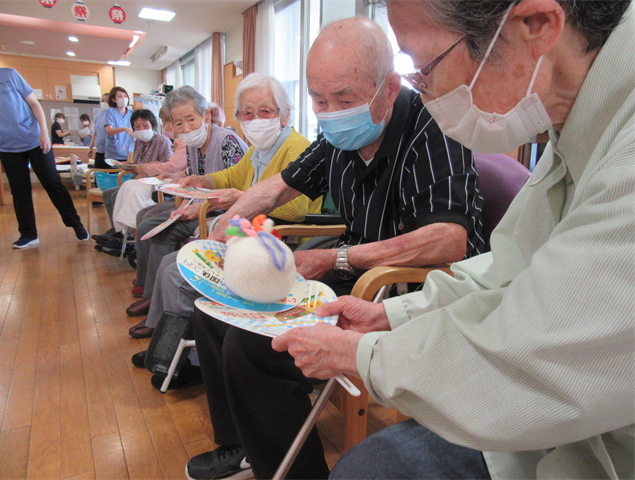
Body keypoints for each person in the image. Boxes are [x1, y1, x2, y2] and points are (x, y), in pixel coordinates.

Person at [272, 2, 635, 480]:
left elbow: (534, 360)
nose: (426, 90)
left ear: (536, 26)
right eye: (319, 99)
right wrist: (392, 315)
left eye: (424, 67)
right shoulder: (575, 124)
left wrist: (362, 354)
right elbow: (508, 268)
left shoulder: (616, 151)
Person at [184, 17, 484, 480]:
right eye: (318, 100)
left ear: (388, 87)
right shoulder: (338, 134)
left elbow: (448, 238)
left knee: (252, 345)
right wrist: (228, 223)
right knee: (211, 308)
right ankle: (243, 447)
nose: (330, 112)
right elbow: (278, 187)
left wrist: (333, 258)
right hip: (357, 273)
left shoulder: (434, 126)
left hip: (413, 287)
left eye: (344, 99)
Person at [126, 73, 323, 377]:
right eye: (247, 112)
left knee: (179, 272)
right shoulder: (259, 151)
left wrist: (242, 198)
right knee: (172, 261)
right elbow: (230, 175)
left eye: (265, 111)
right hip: (246, 234)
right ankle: (166, 348)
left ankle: (190, 362)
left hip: (274, 242)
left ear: (284, 114)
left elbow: (296, 208)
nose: (255, 119)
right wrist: (204, 180)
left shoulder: (298, 148)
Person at [124, 85, 249, 316]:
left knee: (158, 229)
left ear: (206, 116)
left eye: (191, 120)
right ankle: (152, 294)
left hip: (223, 211)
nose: (185, 128)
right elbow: (193, 182)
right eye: (179, 123)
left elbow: (239, 191)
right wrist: (182, 206)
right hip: (201, 206)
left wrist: (195, 208)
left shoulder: (227, 141)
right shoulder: (192, 144)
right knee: (150, 223)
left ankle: (156, 301)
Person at [0, 65, 88, 248]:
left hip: (35, 141)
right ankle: (28, 234)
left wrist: (44, 133)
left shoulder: (8, 75)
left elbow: (34, 104)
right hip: (7, 146)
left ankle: (76, 224)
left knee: (52, 183)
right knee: (19, 190)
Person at [99, 109, 174, 235]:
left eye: (145, 126)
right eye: (137, 127)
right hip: (137, 179)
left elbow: (168, 167)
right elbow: (137, 164)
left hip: (154, 182)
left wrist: (145, 168)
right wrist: (127, 166)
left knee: (114, 195)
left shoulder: (162, 141)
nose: (141, 129)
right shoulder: (138, 142)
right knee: (107, 194)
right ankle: (118, 230)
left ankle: (125, 232)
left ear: (153, 126)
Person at [104, 86, 134, 162]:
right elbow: (109, 131)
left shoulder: (132, 113)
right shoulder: (110, 112)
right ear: (114, 99)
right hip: (114, 153)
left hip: (129, 152)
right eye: (120, 96)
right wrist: (124, 129)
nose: (123, 98)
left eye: (125, 96)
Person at [88, 93, 110, 169]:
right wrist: (90, 147)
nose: (104, 103)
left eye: (107, 101)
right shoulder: (99, 116)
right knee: (98, 175)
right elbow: (95, 133)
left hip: (111, 153)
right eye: (103, 100)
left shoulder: (114, 115)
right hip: (100, 152)